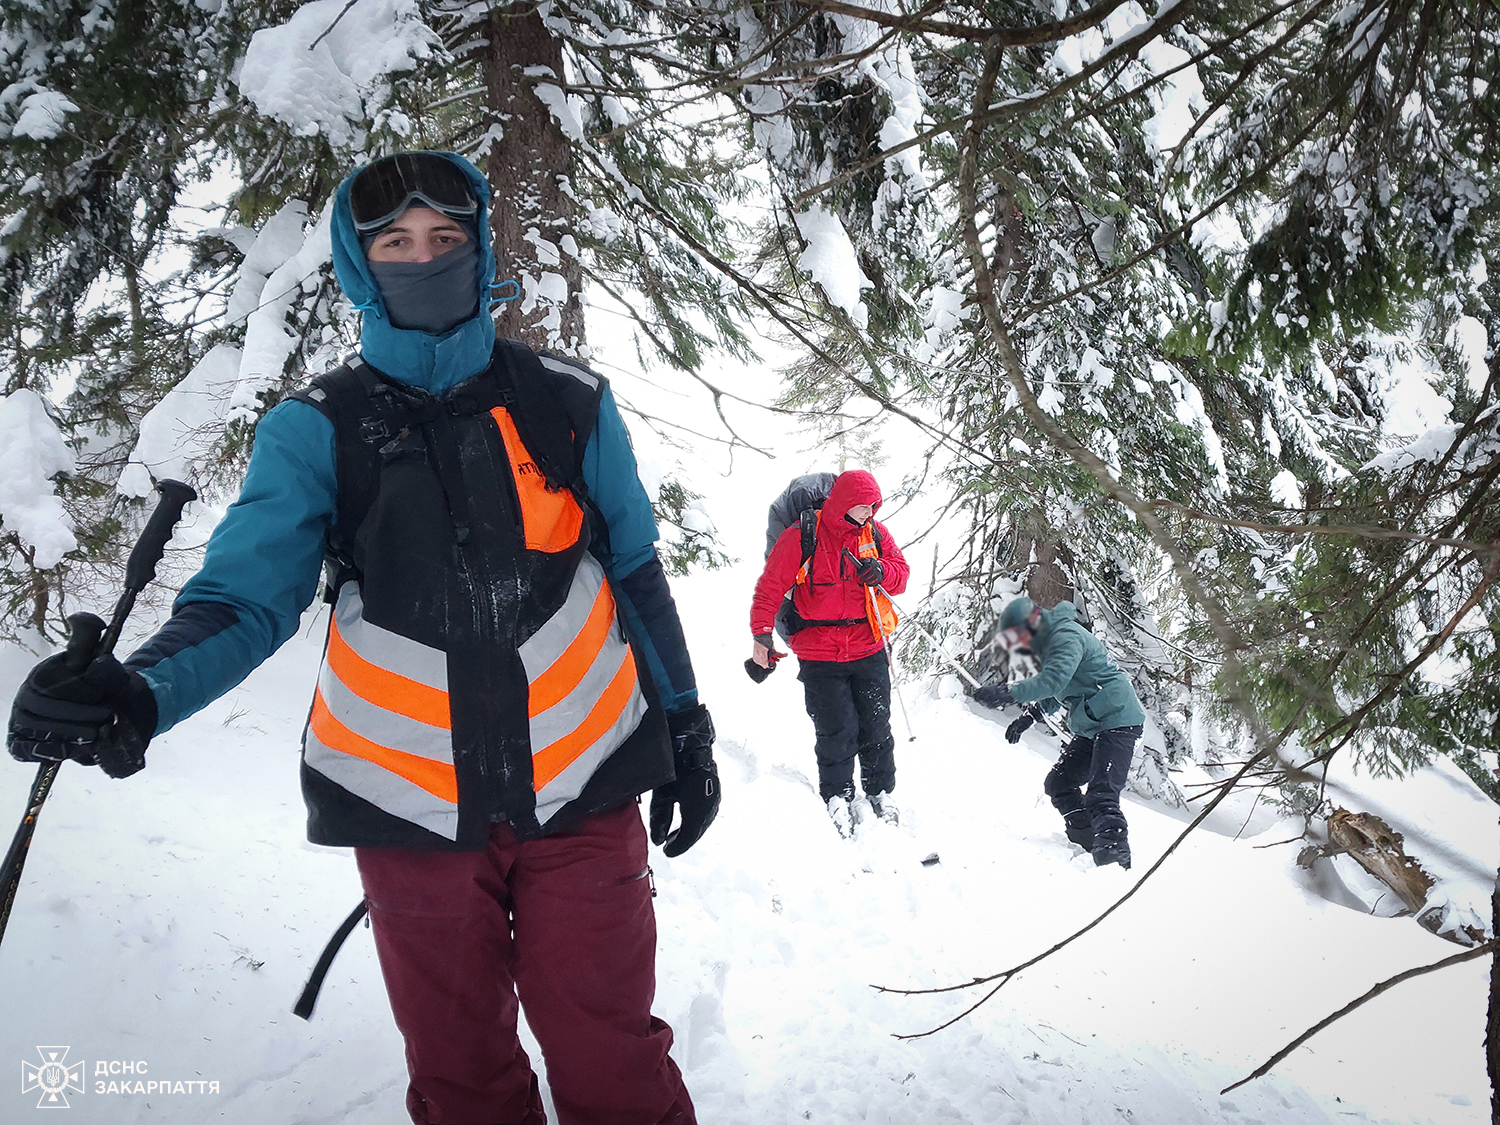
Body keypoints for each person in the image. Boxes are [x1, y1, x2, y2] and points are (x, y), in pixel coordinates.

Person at [7, 150, 718, 1125]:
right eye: (395, 244)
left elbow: (632, 570)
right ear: (358, 263)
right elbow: (247, 600)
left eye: (446, 241)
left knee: (610, 1061)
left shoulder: (567, 402)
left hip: (585, 789)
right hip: (406, 809)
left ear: (482, 251)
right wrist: (138, 691)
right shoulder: (316, 428)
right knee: (463, 1077)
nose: (422, 260)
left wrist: (683, 723)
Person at [749, 470, 908, 835]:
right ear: (842, 503)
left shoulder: (876, 534)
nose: (870, 513)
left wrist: (881, 571)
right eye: (863, 506)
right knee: (836, 728)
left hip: (868, 645)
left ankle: (881, 791)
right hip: (819, 652)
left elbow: (902, 575)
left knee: (876, 724)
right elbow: (769, 587)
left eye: (873, 506)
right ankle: (838, 794)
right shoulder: (803, 536)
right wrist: (761, 633)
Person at [973, 596, 1145, 868]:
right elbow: (1059, 691)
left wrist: (1008, 692)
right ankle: (1086, 843)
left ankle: (1114, 857)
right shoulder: (1052, 643)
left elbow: (1054, 680)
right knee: (1059, 783)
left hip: (1117, 719)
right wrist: (1028, 718)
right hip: (1095, 724)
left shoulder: (1066, 636)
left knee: (1101, 793)